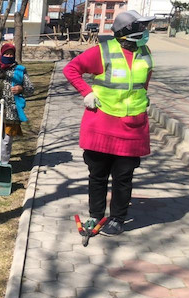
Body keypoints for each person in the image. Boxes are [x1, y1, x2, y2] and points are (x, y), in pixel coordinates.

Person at [63, 10, 154, 236]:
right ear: (125, 32)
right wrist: (86, 92)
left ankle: (117, 218)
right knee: (98, 175)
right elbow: (71, 69)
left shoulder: (145, 53)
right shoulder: (102, 52)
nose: (145, 33)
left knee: (124, 177)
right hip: (101, 125)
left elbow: (143, 82)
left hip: (132, 126)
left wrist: (143, 98)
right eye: (140, 29)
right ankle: (96, 215)